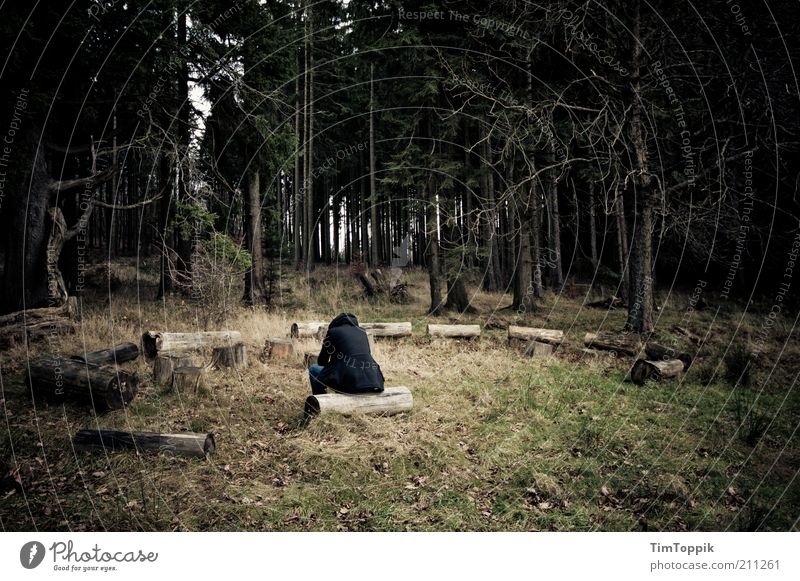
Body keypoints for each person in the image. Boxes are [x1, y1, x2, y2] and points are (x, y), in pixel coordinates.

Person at [308, 313, 384, 395]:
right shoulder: (362, 332)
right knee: (340, 371)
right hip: (374, 381)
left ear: (335, 323)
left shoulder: (332, 332)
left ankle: (319, 402)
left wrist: (335, 361)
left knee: (313, 369)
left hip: (350, 383)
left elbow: (322, 361)